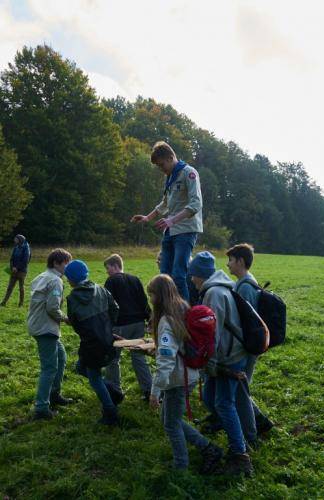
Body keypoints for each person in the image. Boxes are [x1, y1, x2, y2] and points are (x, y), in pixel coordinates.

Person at [147, 274, 223, 473]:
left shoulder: (166, 319)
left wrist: (155, 391)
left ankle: (182, 466)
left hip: (177, 379)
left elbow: (165, 361)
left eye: (152, 295)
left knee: (171, 425)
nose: (151, 299)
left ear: (159, 295)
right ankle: (208, 448)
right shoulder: (183, 308)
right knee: (170, 420)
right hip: (190, 373)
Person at [189, 251, 253, 476]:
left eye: (193, 275)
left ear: (199, 274)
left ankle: (240, 454)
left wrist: (209, 363)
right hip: (225, 355)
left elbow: (211, 334)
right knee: (209, 399)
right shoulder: (217, 288)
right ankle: (238, 435)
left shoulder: (214, 293)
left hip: (229, 357)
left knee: (225, 403)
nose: (191, 280)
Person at [131, 141, 202, 302]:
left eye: (161, 165)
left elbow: (196, 204)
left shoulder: (189, 173)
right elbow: (165, 203)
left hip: (186, 230)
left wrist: (172, 220)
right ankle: (166, 311)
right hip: (170, 231)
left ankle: (184, 313)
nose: (161, 169)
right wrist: (148, 217)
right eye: (158, 166)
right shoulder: (170, 177)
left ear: (171, 158)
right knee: (164, 276)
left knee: (178, 275)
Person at [226, 243, 274, 437]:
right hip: (250, 345)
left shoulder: (245, 287)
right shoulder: (245, 282)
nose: (228, 264)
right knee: (239, 389)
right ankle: (255, 423)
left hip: (246, 347)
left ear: (241, 261)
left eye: (230, 260)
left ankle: (258, 424)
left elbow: (244, 321)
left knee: (240, 390)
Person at [65, 260, 120, 426]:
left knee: (94, 377)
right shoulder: (101, 289)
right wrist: (107, 328)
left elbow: (75, 323)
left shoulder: (72, 298)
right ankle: (112, 390)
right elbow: (115, 309)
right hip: (107, 339)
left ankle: (110, 412)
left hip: (90, 343)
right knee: (81, 368)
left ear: (71, 280)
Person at [27, 248, 73, 420]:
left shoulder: (41, 276)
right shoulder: (55, 281)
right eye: (66, 263)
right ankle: (41, 408)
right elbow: (53, 308)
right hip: (46, 328)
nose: (68, 267)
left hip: (38, 325)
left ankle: (54, 394)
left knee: (61, 358)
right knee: (49, 368)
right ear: (56, 263)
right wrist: (66, 319)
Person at [104, 254, 152, 401]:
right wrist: (149, 317)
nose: (107, 272)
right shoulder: (135, 279)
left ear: (115, 265)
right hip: (138, 323)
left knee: (113, 359)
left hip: (120, 325)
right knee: (138, 357)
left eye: (108, 269)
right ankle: (149, 390)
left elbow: (108, 305)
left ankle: (115, 391)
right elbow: (143, 300)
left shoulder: (111, 281)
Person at [1, 234, 31, 307]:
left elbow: (25, 260)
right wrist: (12, 267)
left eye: (16, 238)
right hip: (13, 270)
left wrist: (17, 267)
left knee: (21, 288)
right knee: (9, 287)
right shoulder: (16, 247)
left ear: (20, 240)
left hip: (22, 271)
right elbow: (11, 258)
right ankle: (4, 302)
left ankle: (20, 304)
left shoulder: (26, 248)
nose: (14, 240)